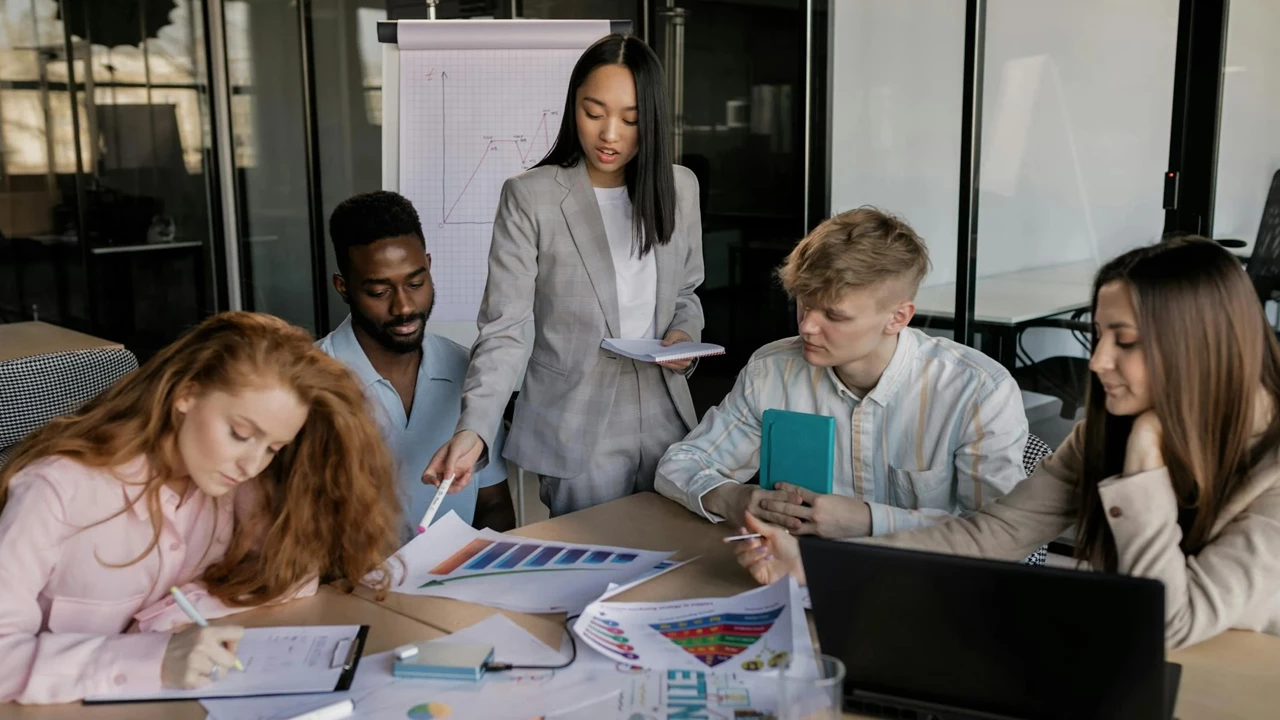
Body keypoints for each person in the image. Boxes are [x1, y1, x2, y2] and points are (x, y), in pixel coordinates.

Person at [735, 237, 1280, 650]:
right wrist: (816, 563)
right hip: (1121, 663)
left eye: (1127, 342)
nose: (1097, 362)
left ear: (1198, 349)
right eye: (1098, 336)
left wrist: (1141, 470)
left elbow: (1165, 623)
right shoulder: (1111, 429)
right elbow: (994, 533)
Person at [0, 312, 400, 704]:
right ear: (186, 395)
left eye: (273, 448)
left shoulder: (233, 487)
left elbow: (292, 572)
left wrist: (162, 621)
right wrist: (152, 657)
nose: (251, 465)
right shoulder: (57, 490)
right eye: (240, 434)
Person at [424, 34, 705, 517]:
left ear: (652, 120)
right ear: (573, 106)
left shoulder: (679, 187)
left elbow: (686, 290)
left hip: (665, 412)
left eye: (630, 119)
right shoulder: (530, 196)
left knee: (673, 559)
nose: (610, 134)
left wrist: (683, 335)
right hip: (576, 421)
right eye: (593, 113)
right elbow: (504, 328)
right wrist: (474, 430)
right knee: (592, 567)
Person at [656, 207, 1029, 539]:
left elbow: (1003, 535)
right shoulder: (772, 371)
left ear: (898, 317)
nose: (806, 327)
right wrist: (735, 497)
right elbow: (680, 464)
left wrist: (869, 521)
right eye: (804, 304)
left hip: (927, 587)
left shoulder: (977, 392)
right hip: (796, 576)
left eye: (834, 315)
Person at [317, 190, 515, 536]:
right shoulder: (308, 383)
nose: (405, 307)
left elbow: (493, 505)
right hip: (354, 588)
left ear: (429, 266)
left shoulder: (469, 372)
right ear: (343, 287)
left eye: (415, 282)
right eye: (379, 292)